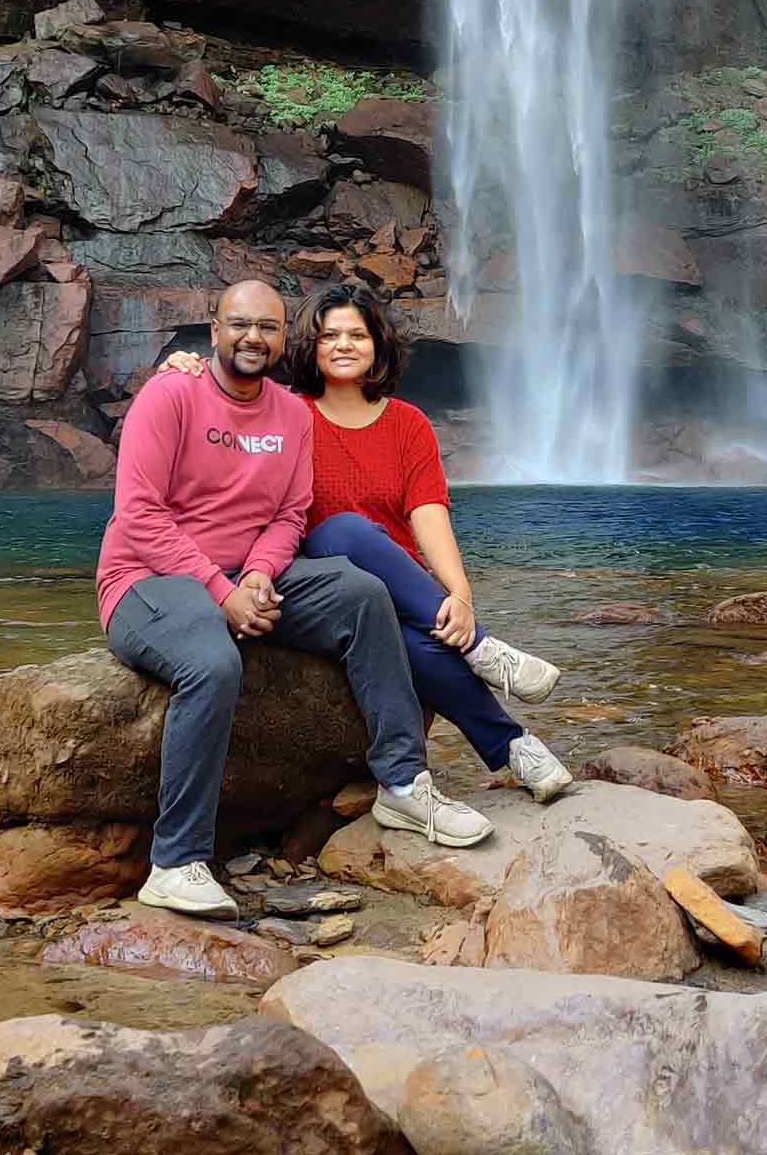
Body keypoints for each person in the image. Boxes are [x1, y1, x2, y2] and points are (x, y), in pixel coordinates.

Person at [98, 278, 493, 922]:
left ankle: (402, 782)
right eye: (239, 324)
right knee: (212, 663)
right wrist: (222, 591)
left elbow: (290, 514)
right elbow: (138, 516)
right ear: (215, 327)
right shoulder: (170, 395)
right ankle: (176, 862)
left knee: (364, 595)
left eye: (268, 327)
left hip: (246, 577)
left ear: (286, 338)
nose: (253, 337)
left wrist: (256, 574)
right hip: (145, 580)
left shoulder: (290, 414)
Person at [160, 281, 573, 805]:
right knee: (345, 531)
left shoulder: (408, 424)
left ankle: (513, 744)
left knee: (415, 636)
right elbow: (225, 395)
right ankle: (491, 674)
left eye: (357, 333)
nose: (344, 344)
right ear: (308, 343)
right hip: (316, 580)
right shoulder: (285, 413)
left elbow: (429, 514)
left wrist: (459, 594)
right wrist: (184, 365)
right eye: (330, 334)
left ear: (378, 344)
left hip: (398, 590)